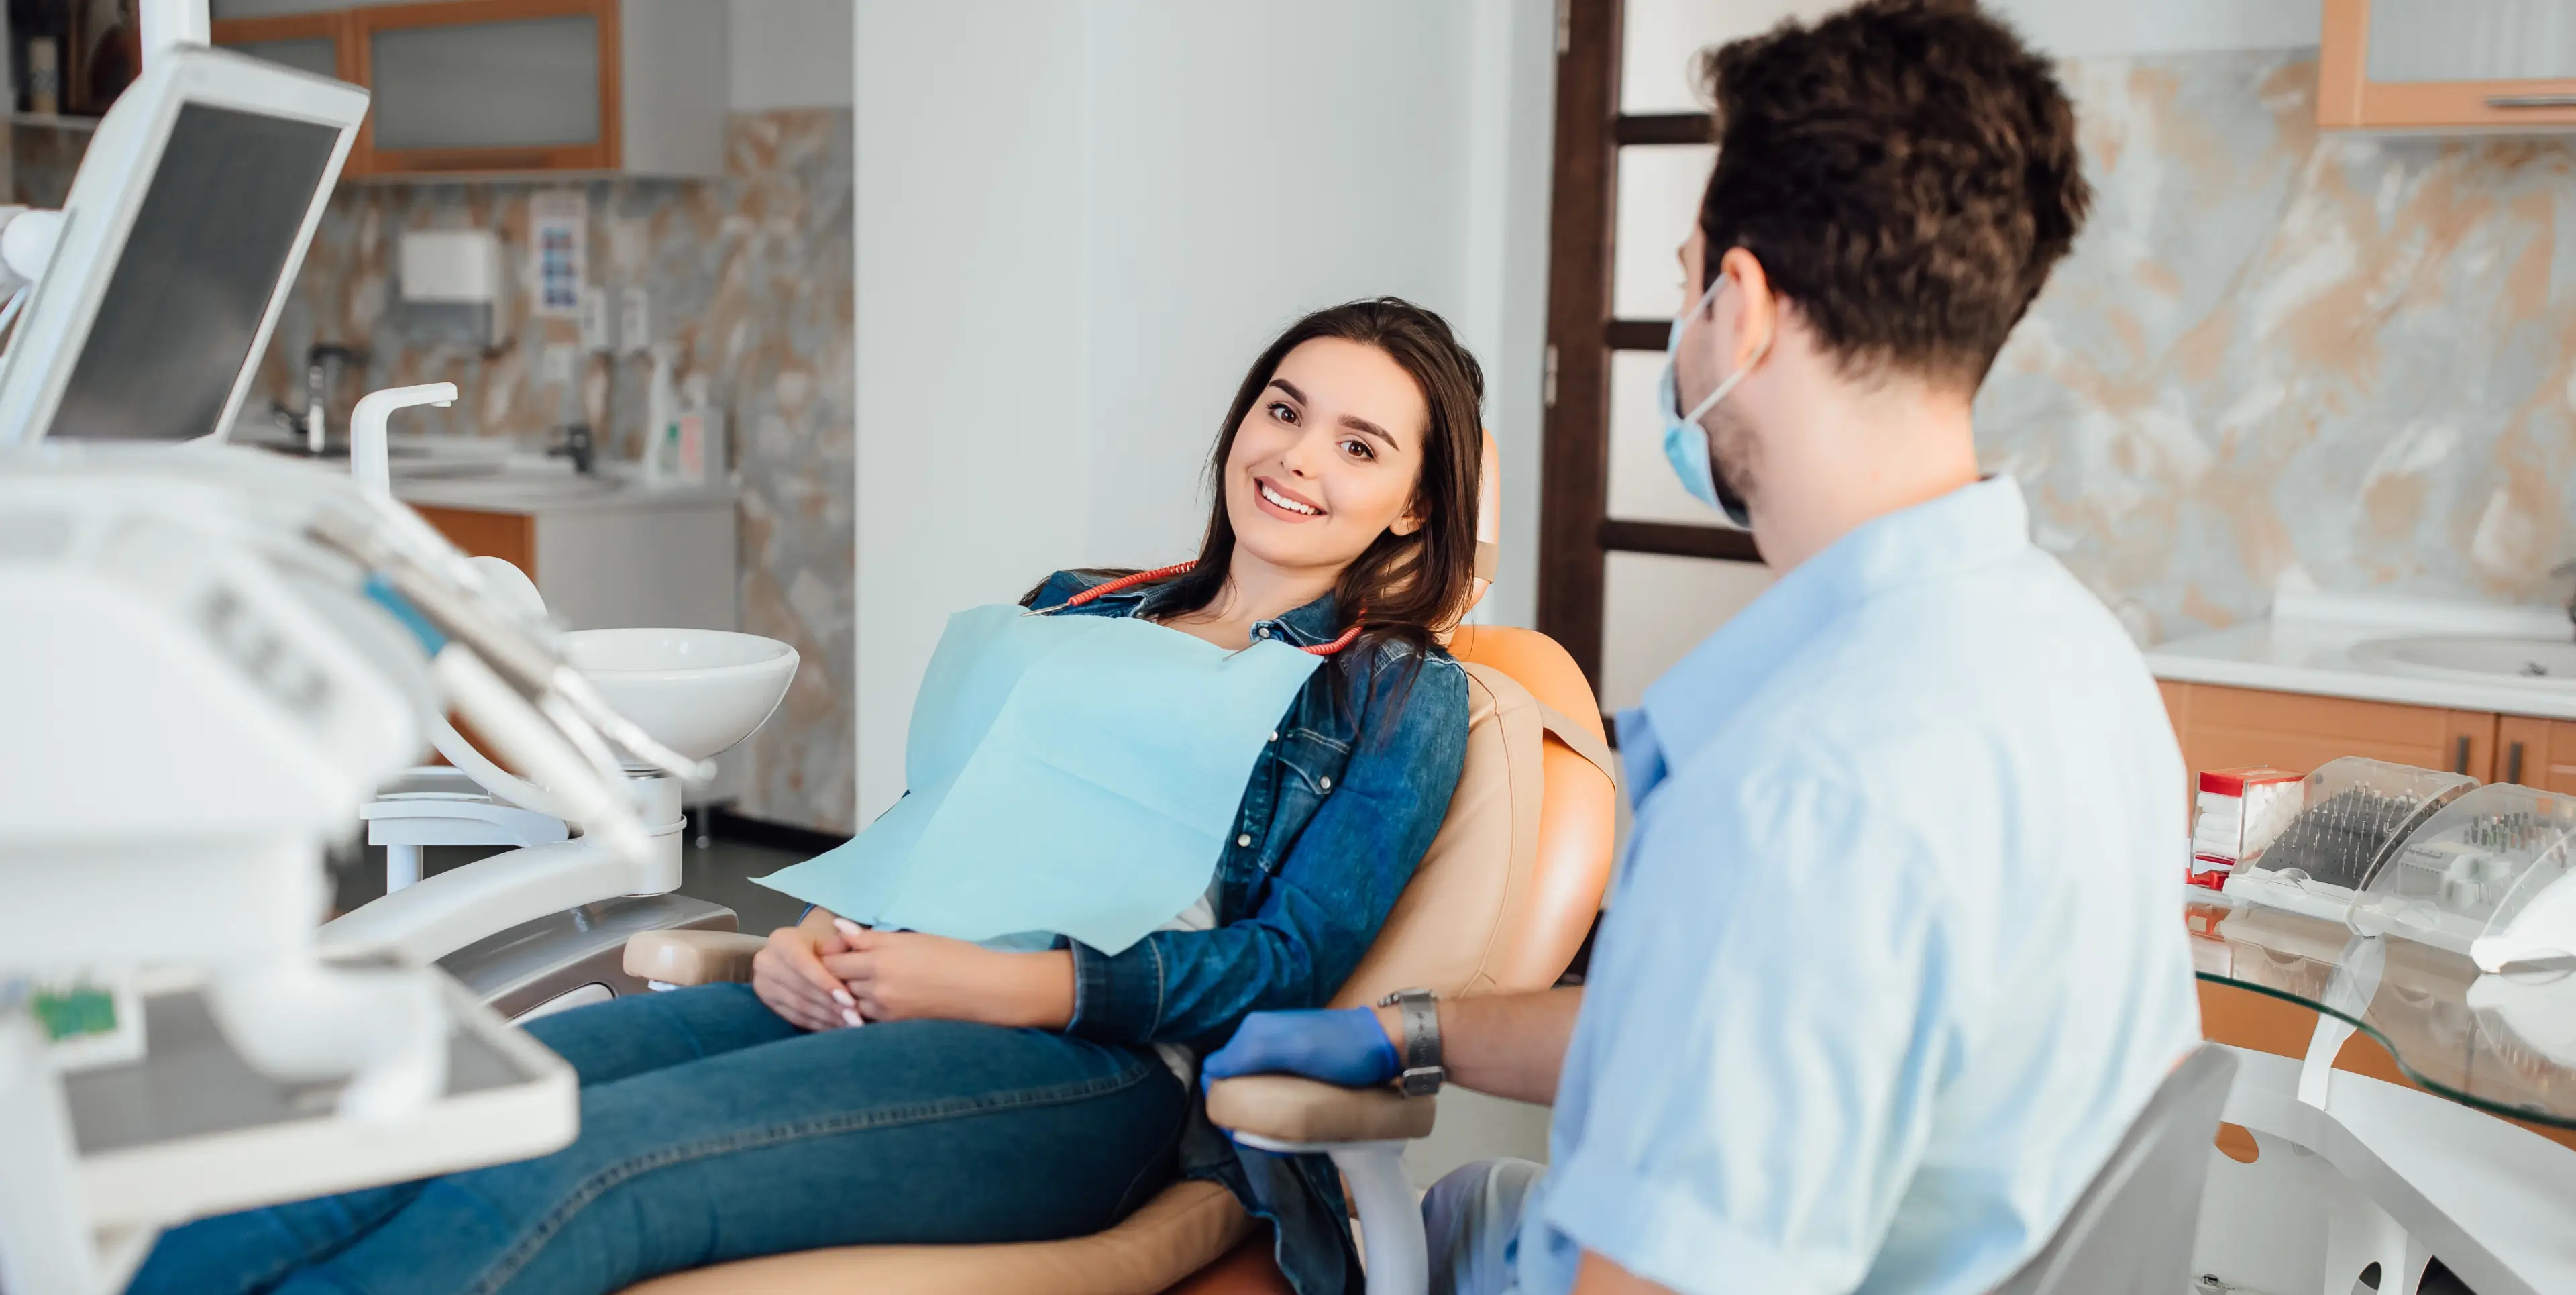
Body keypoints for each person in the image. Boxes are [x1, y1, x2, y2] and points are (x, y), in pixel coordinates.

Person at [130, 298, 1481, 1295]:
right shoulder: (1082, 603)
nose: (1300, 456)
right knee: (433, 1103)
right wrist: (812, 933)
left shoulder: (1391, 692)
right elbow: (944, 826)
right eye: (1286, 408)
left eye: (1363, 447)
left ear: (1415, 508)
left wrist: (989, 984)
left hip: (1079, 1068)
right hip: (848, 987)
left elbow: (1283, 963)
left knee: (573, 1170)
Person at [1205, 4, 2202, 1294]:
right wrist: (1415, 1030)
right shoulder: (2078, 658)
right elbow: (1766, 1030)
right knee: (1470, 1206)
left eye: (1684, 281)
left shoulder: (1799, 787)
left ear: (1739, 308)